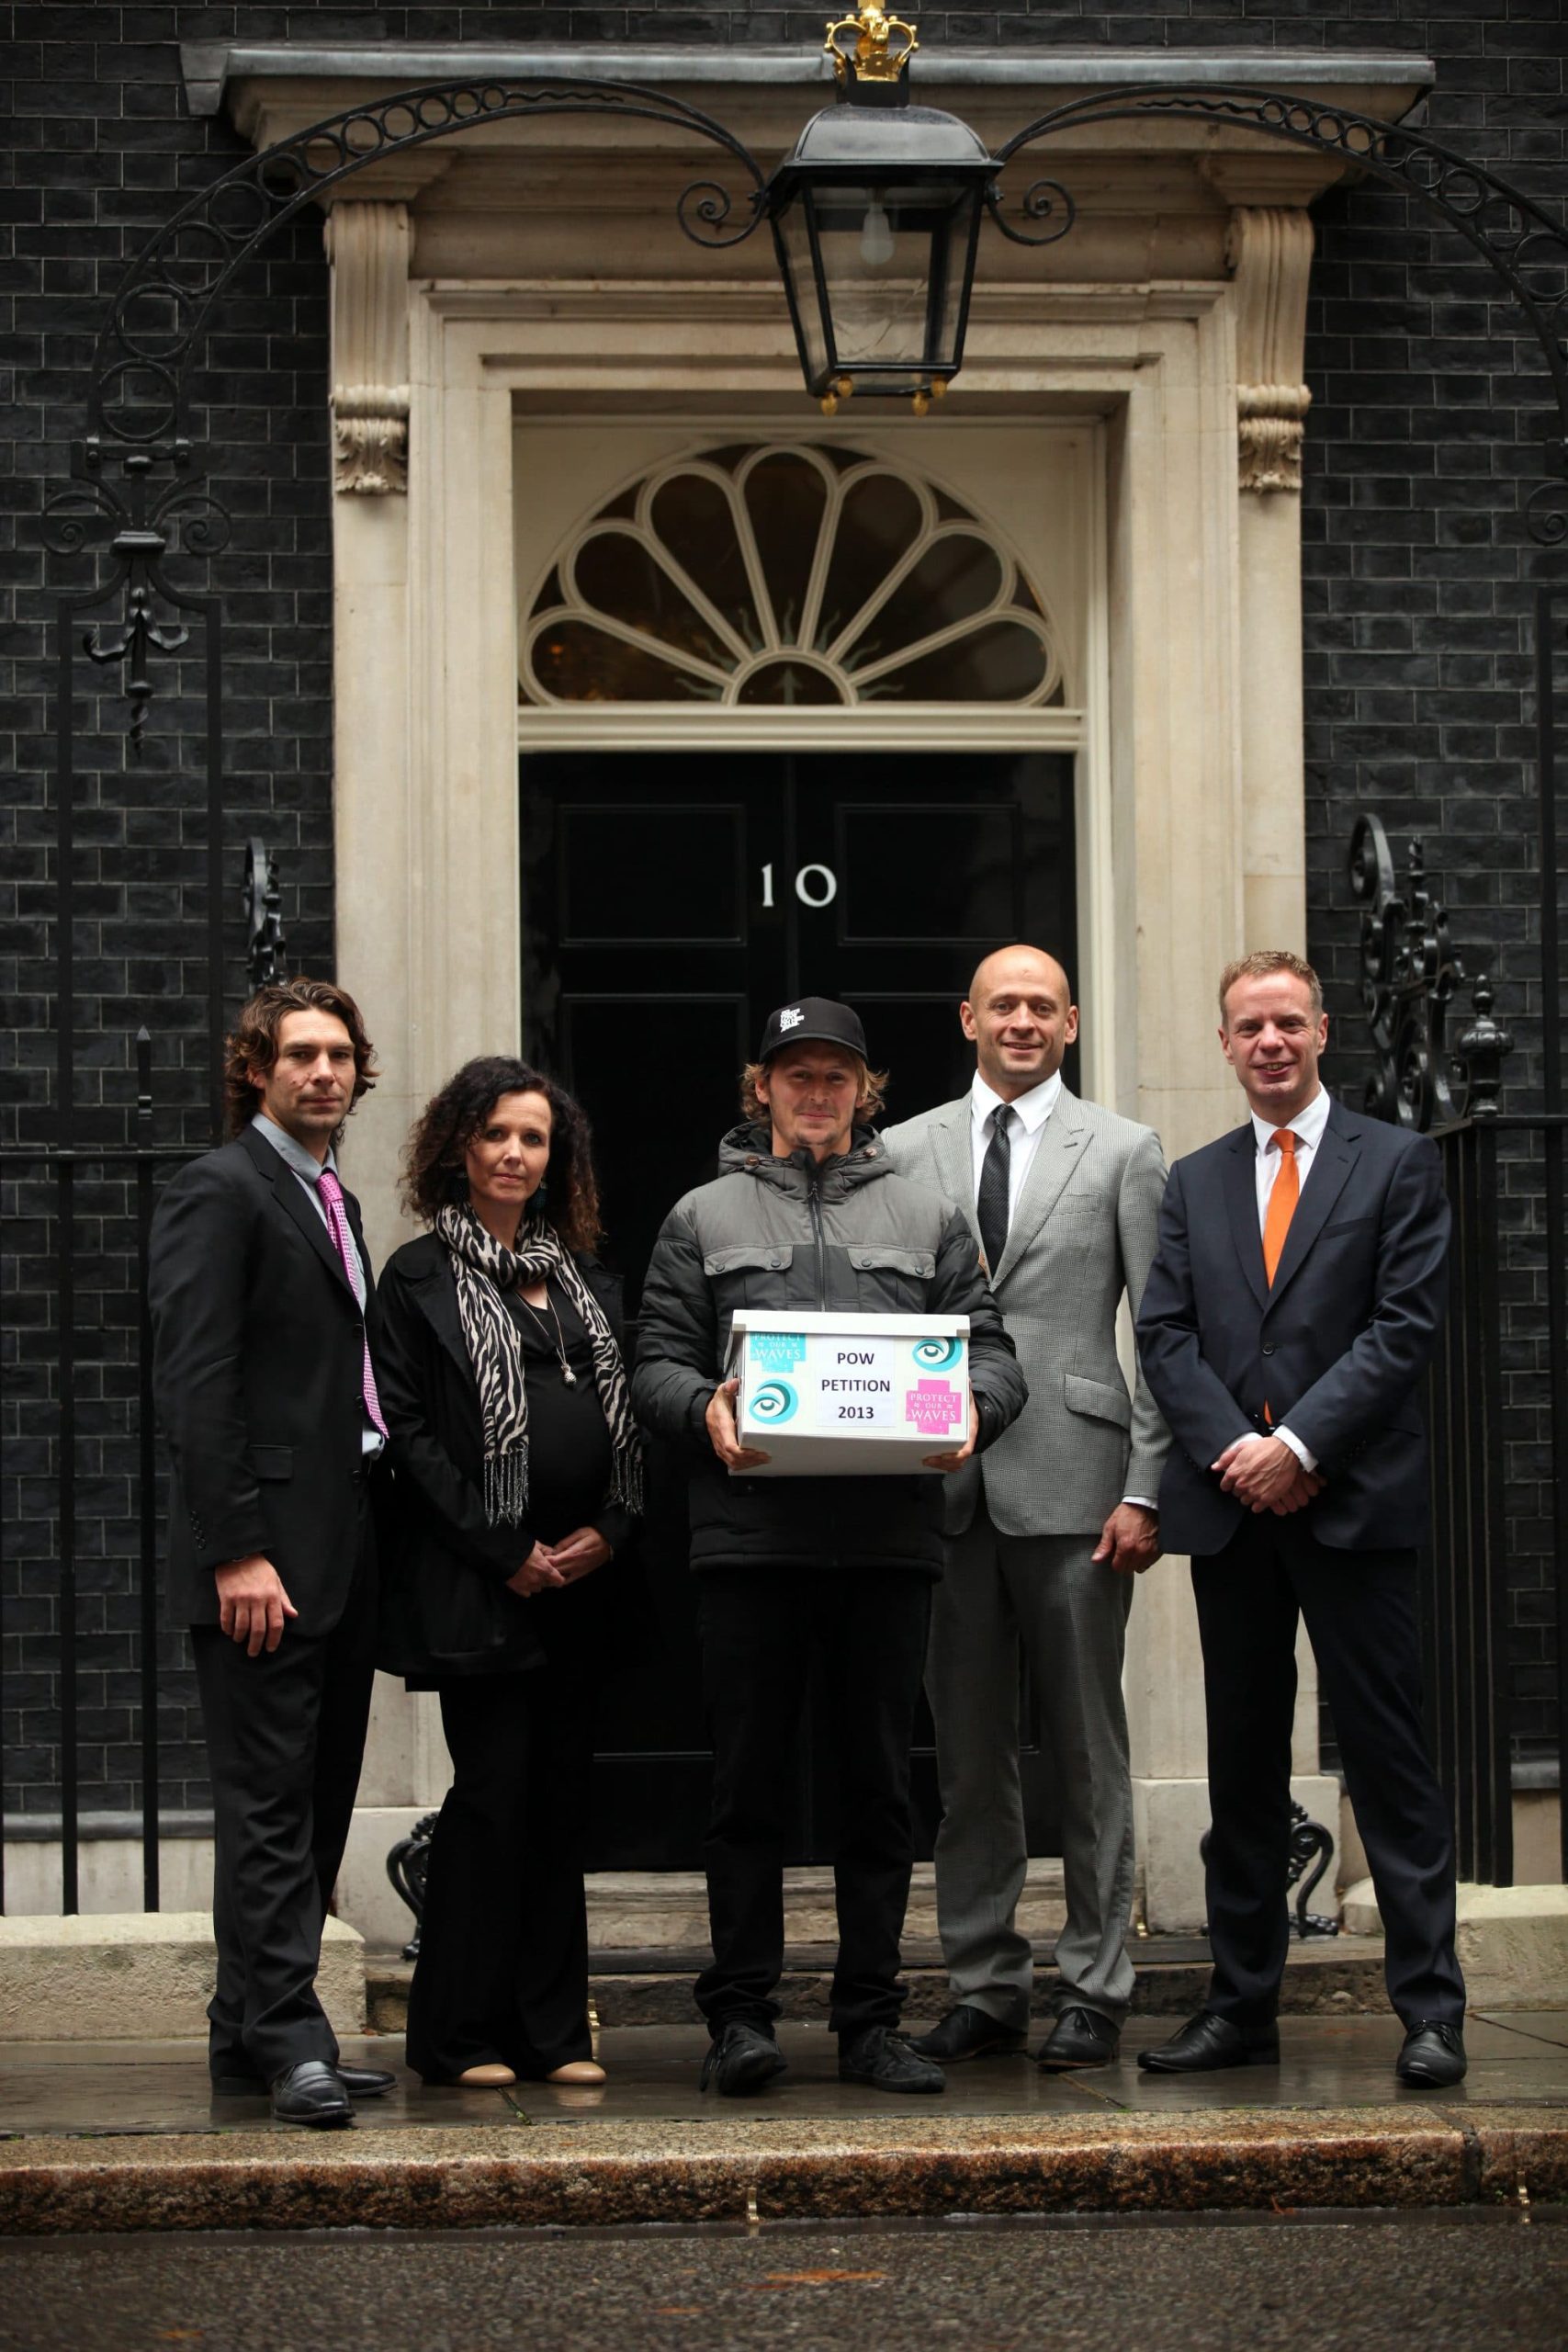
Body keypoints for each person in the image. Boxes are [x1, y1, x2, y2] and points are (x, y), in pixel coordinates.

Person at [632, 997, 1027, 2098]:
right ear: (759, 1087)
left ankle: (871, 2024)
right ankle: (741, 2019)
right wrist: (704, 1403)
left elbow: (992, 1355)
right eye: (795, 1075)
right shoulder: (700, 1215)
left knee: (876, 1797)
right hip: (750, 1542)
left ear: (867, 1090)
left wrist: (972, 1417)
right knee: (746, 1790)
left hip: (887, 1544)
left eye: (835, 1077)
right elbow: (653, 1360)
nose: (816, 1093)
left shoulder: (932, 1210)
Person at [1134, 950, 1466, 2089]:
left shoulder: (1400, 1161)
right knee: (1241, 1766)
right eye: (1248, 1027)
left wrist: (1300, 1445)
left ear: (1322, 1030)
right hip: (1235, 1511)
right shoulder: (1195, 1179)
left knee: (1389, 1760)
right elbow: (1165, 1335)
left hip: (1351, 1505)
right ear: (1223, 1045)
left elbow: (1402, 1328)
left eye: (1287, 1022)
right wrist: (1241, 1453)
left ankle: (1430, 2010)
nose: (1269, 1042)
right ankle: (1241, 2006)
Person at [881, 945, 1169, 2073]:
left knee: (1089, 1750)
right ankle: (986, 1981)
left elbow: (1161, 1329)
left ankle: (1096, 1980)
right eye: (1003, 1003)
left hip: (1081, 1486)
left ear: (1072, 1022)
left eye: (1041, 1006)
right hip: (943, 1490)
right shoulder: (901, 1150)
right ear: (967, 1018)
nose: (1021, 1020)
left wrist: (1147, 1485)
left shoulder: (1126, 1150)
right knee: (968, 1760)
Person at [148, 978, 395, 2129]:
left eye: (340, 1055)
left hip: (337, 1550)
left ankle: (248, 2028)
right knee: (267, 1807)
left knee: (315, 1798)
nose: (324, 1073)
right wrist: (235, 1551)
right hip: (265, 1561)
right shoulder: (222, 1188)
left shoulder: (329, 1193)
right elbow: (197, 1387)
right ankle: (291, 2031)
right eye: (300, 1054)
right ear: (258, 1067)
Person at [376, 1056, 644, 2089]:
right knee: (492, 1798)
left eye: (534, 1138)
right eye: (497, 1134)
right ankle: (456, 2035)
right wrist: (503, 1548)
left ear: (554, 1157)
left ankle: (552, 2033)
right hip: (482, 1584)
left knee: (560, 1803)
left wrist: (613, 1530)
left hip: (584, 1585)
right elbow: (405, 1430)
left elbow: (620, 1432)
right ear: (459, 1145)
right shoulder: (416, 1277)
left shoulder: (580, 1276)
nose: (515, 1154)